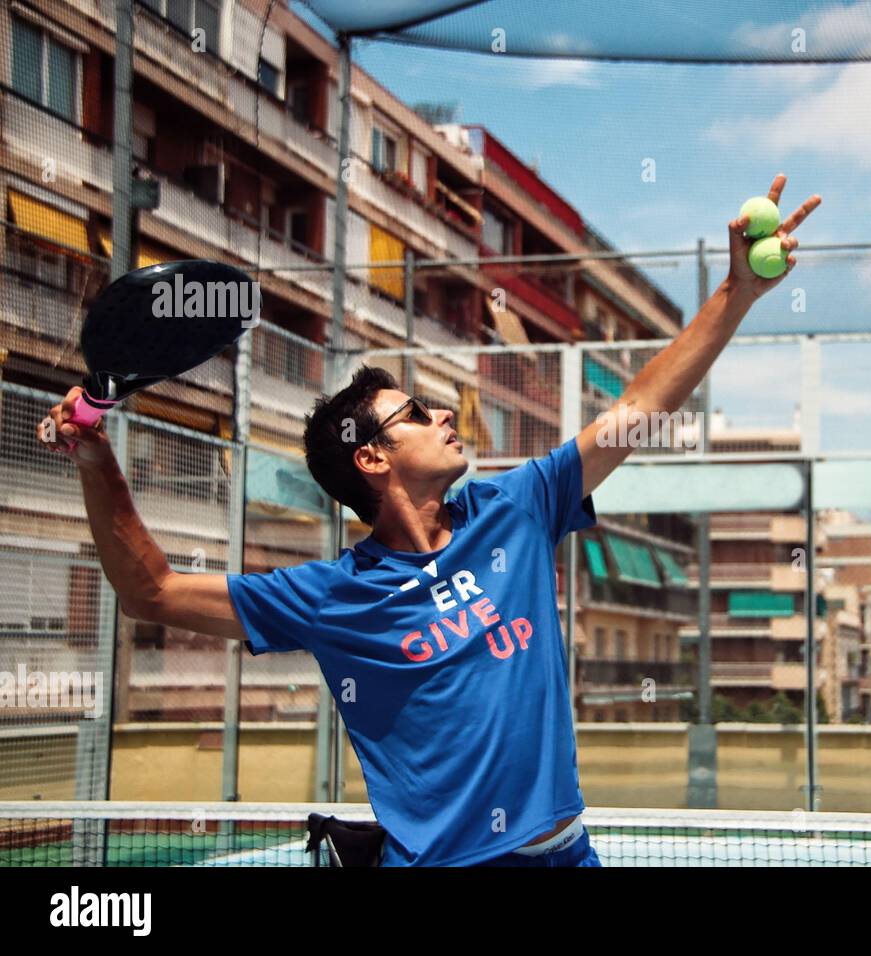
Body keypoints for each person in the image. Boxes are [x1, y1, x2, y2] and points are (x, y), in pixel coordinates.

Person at [39, 175, 820, 866]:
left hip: (567, 853)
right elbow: (152, 591)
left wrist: (735, 293)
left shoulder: (516, 508)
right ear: (371, 458)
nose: (445, 413)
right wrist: (95, 455)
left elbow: (638, 407)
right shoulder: (331, 596)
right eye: (415, 414)